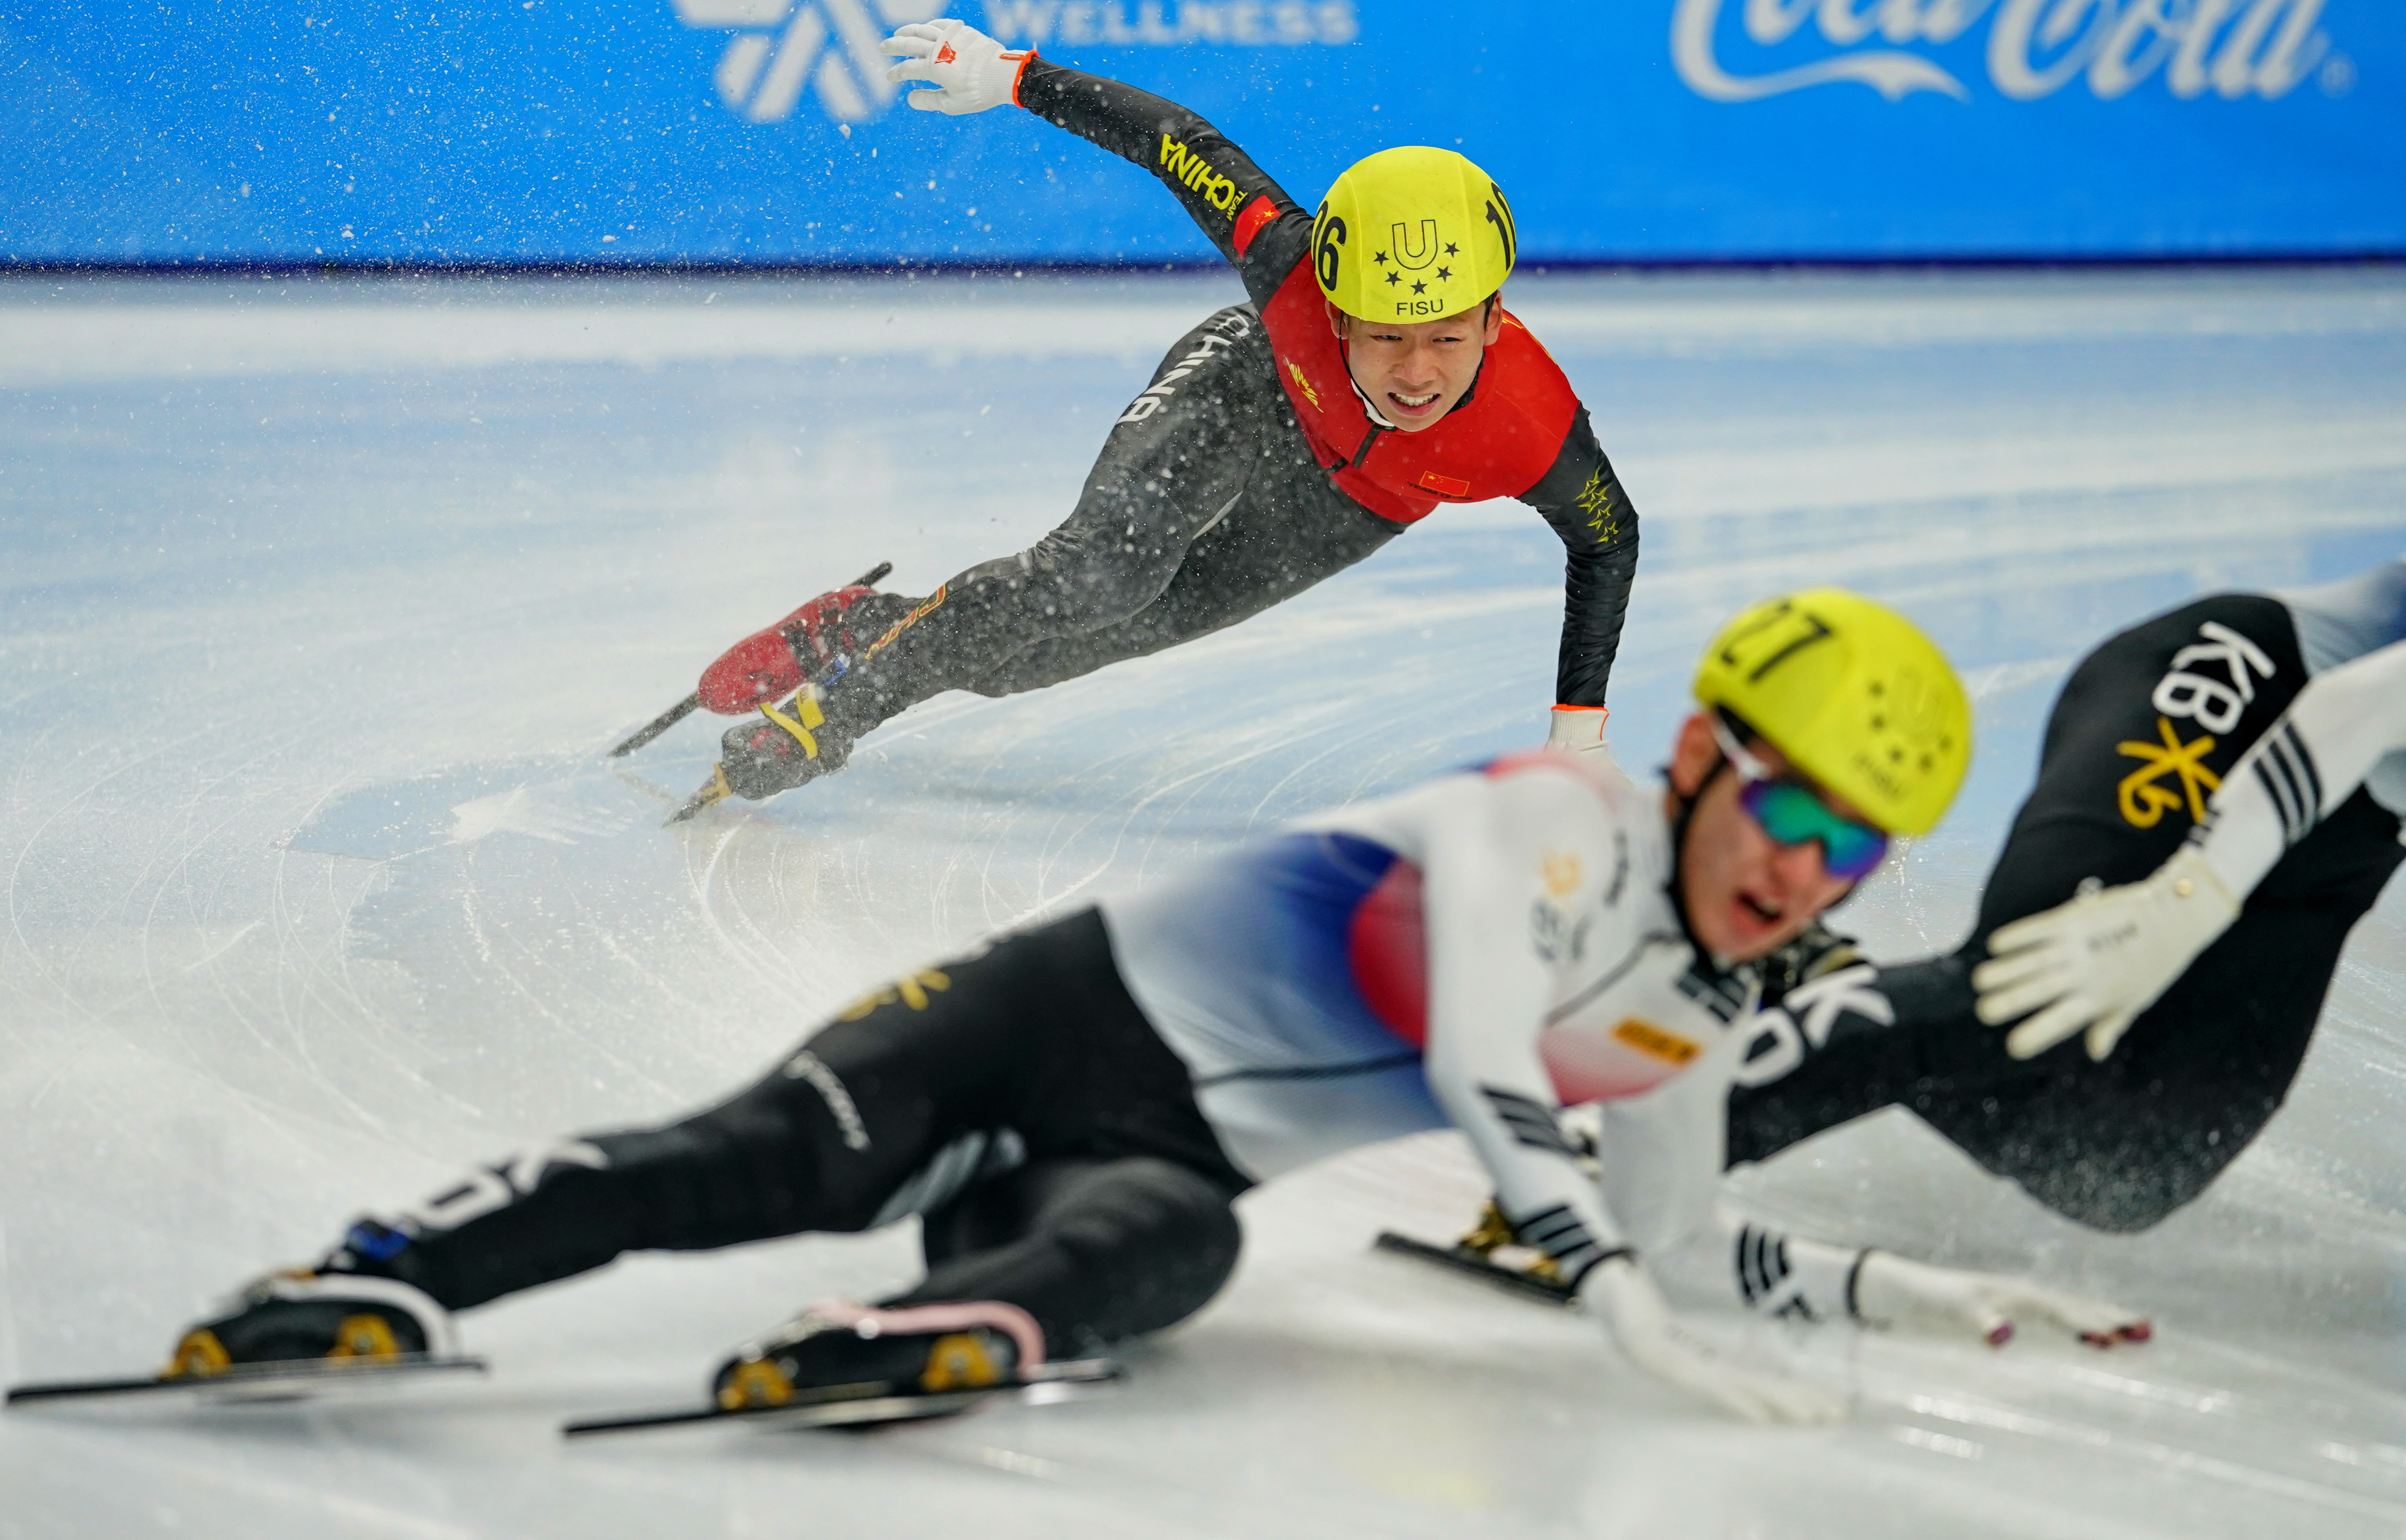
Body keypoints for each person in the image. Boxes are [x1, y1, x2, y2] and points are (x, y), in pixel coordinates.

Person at [159, 589, 2137, 1426]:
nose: (1803, 874)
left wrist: (1934, 1296)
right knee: (775, 1157)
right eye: (1793, 806)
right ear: (1703, 751)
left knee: (1168, 1248)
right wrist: (1589, 1270)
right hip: (1037, 1018)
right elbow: (1468, 1046)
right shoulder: (1549, 819)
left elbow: (1690, 1244)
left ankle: (921, 1327)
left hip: (1158, 1141)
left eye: (1856, 852)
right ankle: (390, 1267)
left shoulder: (1679, 1025)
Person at [679, 18, 1640, 813]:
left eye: (1445, 337)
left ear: (1494, 317)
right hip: (1251, 390)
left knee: (1045, 655)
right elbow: (1178, 142)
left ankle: (857, 626)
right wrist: (1018, 76)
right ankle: (830, 717)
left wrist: (1576, 738)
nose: (1415, 373)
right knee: (1096, 575)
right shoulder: (1289, 267)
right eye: (1384, 336)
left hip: (1352, 503)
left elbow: (1607, 542)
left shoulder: (1535, 428)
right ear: (1336, 308)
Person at [1722, 559, 2406, 1236]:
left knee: (2132, 1172)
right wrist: (2188, 898)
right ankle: (1650, 1137)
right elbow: (2357, 706)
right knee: (2022, 1002)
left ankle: (1822, 979)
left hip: (2344, 834)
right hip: (2239, 697)